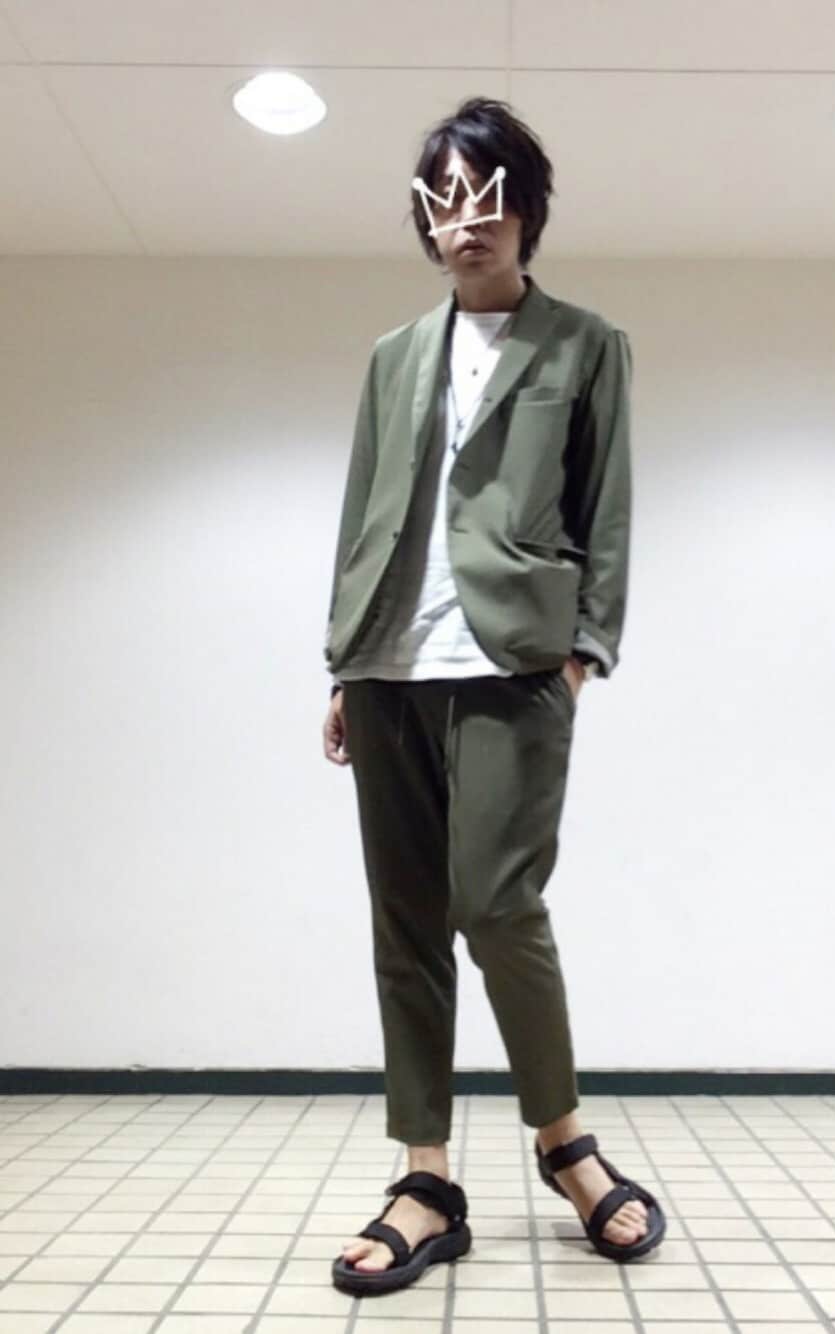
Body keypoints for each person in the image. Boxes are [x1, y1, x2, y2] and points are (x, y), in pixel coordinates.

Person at [323, 97, 666, 1296]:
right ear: (424, 217)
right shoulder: (391, 356)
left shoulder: (583, 344)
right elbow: (364, 510)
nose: (466, 218)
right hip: (388, 665)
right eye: (444, 196)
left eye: (488, 192)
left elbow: (606, 505)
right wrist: (342, 658)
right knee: (404, 921)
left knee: (496, 903)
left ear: (526, 207)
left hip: (514, 660)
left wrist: (583, 651)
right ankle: (425, 1177)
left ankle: (563, 1141)